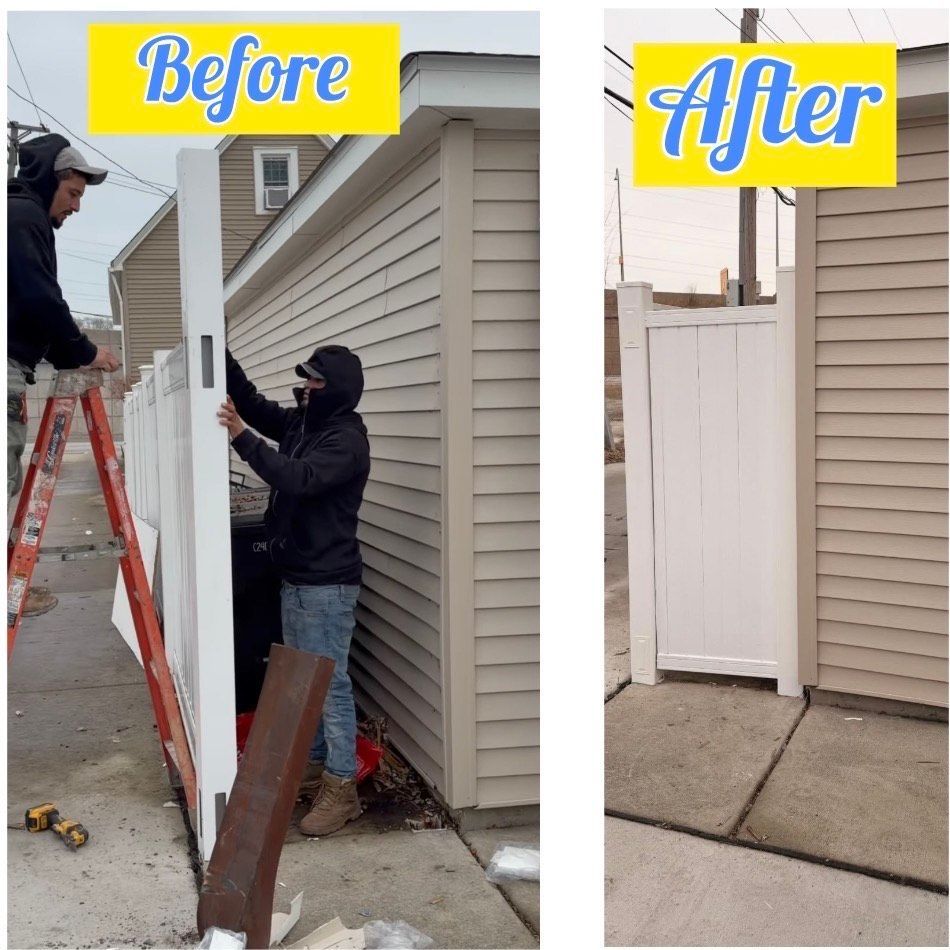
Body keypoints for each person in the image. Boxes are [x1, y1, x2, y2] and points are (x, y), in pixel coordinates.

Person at [219, 344, 370, 836]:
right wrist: (217, 349)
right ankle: (317, 763)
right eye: (306, 379)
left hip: (325, 586)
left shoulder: (345, 441)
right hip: (299, 578)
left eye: (316, 381)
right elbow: (253, 402)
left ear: (337, 389)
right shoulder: (304, 425)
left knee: (329, 685)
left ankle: (342, 788)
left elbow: (298, 478)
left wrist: (240, 437)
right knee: (308, 681)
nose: (306, 387)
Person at [8, 133, 120, 615]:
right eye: (72, 193)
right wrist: (85, 350)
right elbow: (40, 297)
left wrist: (73, 352)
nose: (76, 206)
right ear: (46, 180)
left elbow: (33, 307)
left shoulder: (23, 218)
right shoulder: (22, 217)